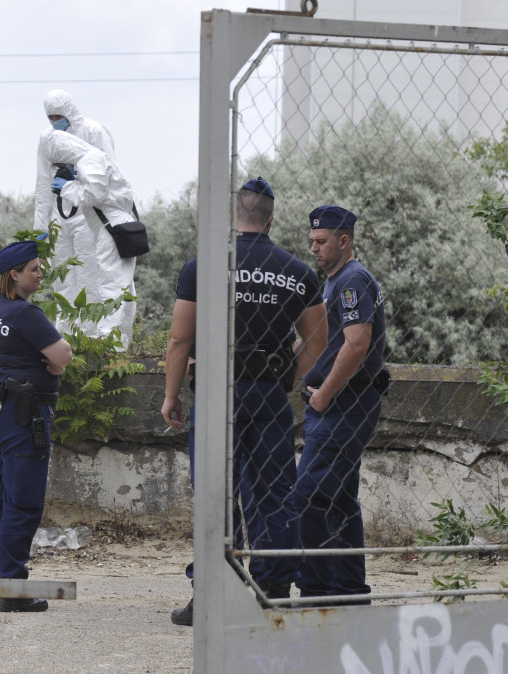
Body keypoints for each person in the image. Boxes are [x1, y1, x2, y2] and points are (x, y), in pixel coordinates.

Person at [160, 177, 326, 625]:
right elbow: (316, 341)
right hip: (268, 395)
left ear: (232, 214)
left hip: (216, 393)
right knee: (275, 494)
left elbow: (179, 338)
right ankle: (272, 588)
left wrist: (172, 394)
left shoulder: (204, 267)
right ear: (270, 217)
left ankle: (213, 593)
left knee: (215, 492)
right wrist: (284, 377)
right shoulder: (297, 272)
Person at [291, 204, 388, 605]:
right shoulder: (334, 282)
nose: (313, 248)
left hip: (344, 405)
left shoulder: (351, 280)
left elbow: (356, 344)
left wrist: (325, 394)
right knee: (339, 499)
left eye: (321, 241)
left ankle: (317, 590)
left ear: (343, 241)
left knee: (307, 495)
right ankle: (349, 590)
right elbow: (323, 344)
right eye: (311, 240)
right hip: (339, 404)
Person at [0, 240, 73, 612]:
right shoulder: (25, 313)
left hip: (4, 411)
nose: (40, 273)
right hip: (24, 416)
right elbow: (63, 354)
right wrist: (59, 367)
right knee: (24, 503)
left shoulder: (2, 310)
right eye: (34, 268)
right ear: (14, 275)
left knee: (8, 498)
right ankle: (11, 588)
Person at [39, 129, 139, 348]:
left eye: (60, 164)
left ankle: (108, 339)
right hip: (116, 227)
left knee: (111, 284)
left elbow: (93, 195)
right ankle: (120, 338)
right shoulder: (93, 160)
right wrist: (76, 180)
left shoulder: (90, 160)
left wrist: (67, 187)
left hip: (111, 229)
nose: (60, 168)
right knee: (123, 285)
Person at [33, 90, 116, 337]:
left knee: (89, 273)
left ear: (70, 111)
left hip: (88, 213)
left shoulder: (94, 132)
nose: (55, 120)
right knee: (63, 275)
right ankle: (65, 332)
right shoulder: (47, 138)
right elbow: (41, 183)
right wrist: (40, 227)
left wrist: (76, 180)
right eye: (51, 116)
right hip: (61, 216)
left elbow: (108, 173)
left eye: (59, 115)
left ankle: (93, 333)